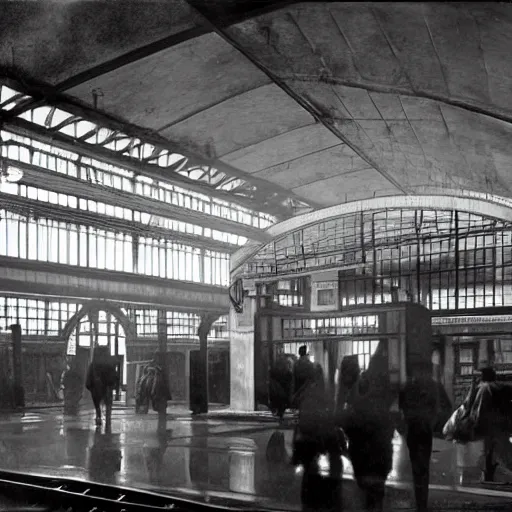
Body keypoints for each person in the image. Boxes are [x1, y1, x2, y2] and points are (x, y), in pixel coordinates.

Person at [399, 367, 440, 512]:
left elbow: (402, 409)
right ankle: (421, 502)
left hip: (414, 430)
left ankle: (420, 501)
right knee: (423, 467)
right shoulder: (430, 387)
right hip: (423, 430)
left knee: (417, 466)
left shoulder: (407, 388)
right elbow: (436, 409)